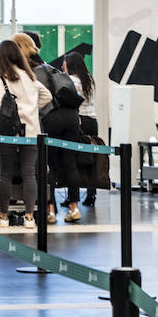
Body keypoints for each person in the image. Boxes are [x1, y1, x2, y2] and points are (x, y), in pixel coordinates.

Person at [13, 33, 82, 224]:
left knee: (47, 163)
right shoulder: (49, 67)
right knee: (70, 162)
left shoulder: (29, 72)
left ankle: (50, 210)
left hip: (51, 117)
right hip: (71, 116)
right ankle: (74, 208)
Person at [0, 39, 51, 229]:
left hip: (8, 132)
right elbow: (47, 96)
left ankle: (3, 217)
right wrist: (31, 109)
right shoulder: (30, 76)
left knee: (6, 174)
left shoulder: (0, 77)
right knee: (29, 174)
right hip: (31, 130)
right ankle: (29, 218)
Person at [65, 51, 100, 208]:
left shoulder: (72, 80)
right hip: (92, 120)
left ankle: (73, 197)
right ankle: (91, 194)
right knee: (91, 159)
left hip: (80, 121)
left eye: (65, 64)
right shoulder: (89, 79)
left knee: (73, 160)